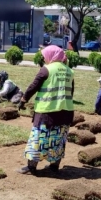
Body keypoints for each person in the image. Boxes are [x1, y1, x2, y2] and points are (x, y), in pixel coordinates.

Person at [17, 45, 74, 175]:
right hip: (65, 111)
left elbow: (34, 86)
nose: (44, 58)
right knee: (59, 139)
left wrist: (23, 99)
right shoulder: (70, 71)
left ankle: (31, 167)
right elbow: (71, 92)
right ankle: (54, 166)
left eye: (45, 56)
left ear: (51, 55)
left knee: (38, 138)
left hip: (47, 111)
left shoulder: (46, 70)